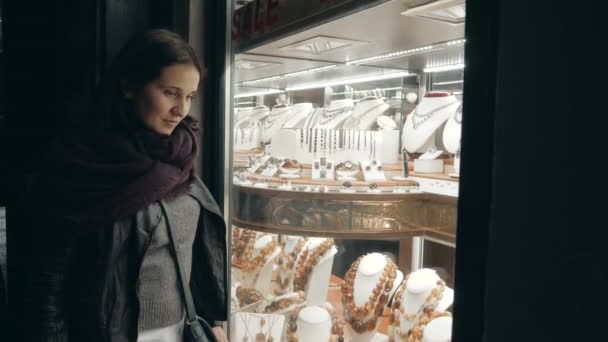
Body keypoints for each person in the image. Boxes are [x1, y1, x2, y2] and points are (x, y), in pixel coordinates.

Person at [20, 29, 227, 341]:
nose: (181, 110)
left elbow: (193, 254)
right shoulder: (82, 164)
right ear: (129, 86)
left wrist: (214, 322)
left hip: (183, 331)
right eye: (170, 92)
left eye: (189, 97)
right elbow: (47, 283)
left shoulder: (180, 154)